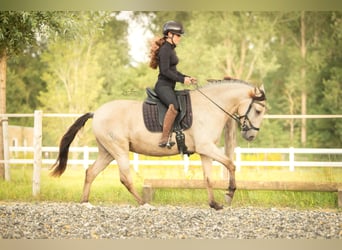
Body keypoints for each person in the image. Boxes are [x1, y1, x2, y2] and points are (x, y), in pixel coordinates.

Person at [149, 20, 196, 148]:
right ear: (170, 34)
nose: (179, 38)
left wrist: (186, 77)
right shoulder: (165, 49)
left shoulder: (170, 49)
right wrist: (181, 80)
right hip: (162, 86)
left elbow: (173, 71)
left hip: (169, 86)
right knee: (174, 106)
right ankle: (164, 138)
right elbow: (165, 71)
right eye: (178, 35)